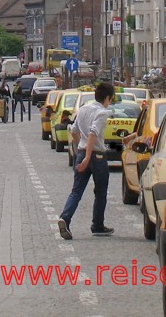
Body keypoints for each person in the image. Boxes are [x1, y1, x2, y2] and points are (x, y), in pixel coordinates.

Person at [57, 81, 115, 240]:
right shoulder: (102, 112)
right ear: (107, 98)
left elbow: (74, 131)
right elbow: (93, 133)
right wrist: (89, 156)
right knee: (101, 191)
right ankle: (97, 225)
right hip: (97, 156)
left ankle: (65, 218)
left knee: (76, 191)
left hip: (81, 152)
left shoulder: (83, 109)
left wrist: (80, 150)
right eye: (111, 99)